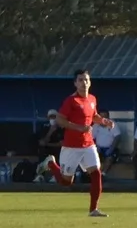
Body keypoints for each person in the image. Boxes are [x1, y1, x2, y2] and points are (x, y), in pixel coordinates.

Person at [43, 69, 114, 217]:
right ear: (75, 83)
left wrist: (103, 121)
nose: (84, 83)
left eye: (86, 80)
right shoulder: (71, 101)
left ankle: (93, 209)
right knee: (66, 182)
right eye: (80, 80)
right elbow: (60, 120)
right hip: (71, 147)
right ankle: (51, 163)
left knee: (96, 173)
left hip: (88, 144)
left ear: (90, 82)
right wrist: (79, 128)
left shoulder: (92, 99)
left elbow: (93, 116)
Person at [92, 110, 121, 175]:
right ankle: (93, 175)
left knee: (109, 157)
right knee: (92, 158)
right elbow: (91, 138)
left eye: (105, 116)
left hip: (110, 148)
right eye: (101, 116)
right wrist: (95, 147)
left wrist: (111, 148)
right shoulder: (95, 125)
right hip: (99, 148)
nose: (103, 118)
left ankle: (103, 174)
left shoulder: (112, 124)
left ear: (108, 117)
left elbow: (118, 137)